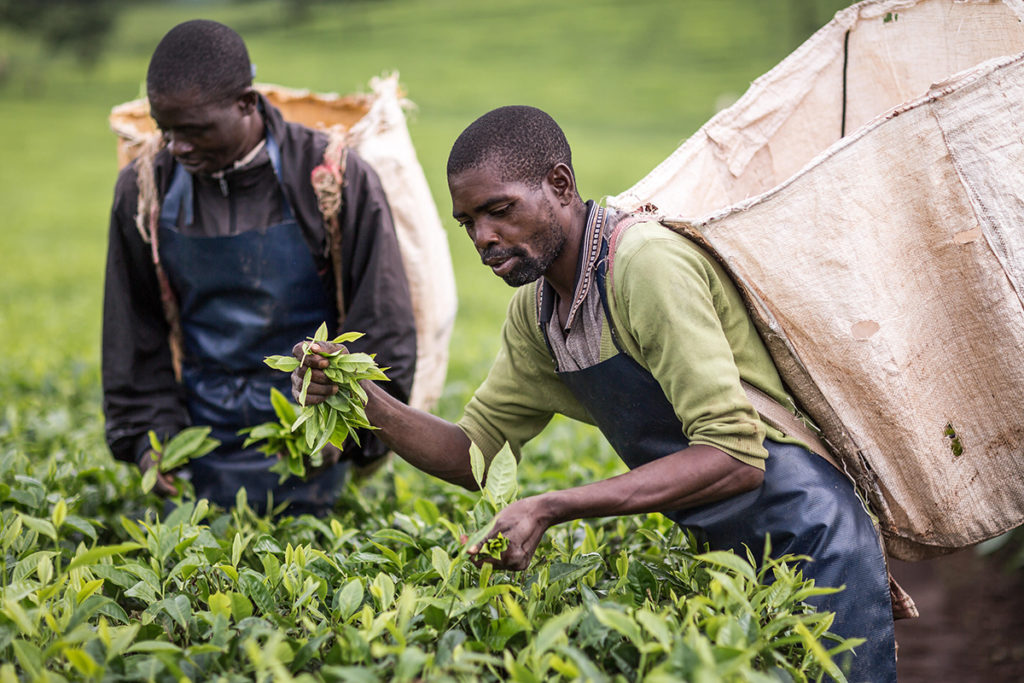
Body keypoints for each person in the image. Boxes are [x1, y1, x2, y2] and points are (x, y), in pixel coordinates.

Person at [296, 106, 897, 680]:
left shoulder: (644, 266)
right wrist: (364, 399)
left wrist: (554, 505)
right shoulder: (536, 316)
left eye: (499, 210)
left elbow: (734, 456)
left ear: (560, 184)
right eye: (469, 223)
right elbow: (473, 455)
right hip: (726, 556)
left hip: (810, 540)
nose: (483, 238)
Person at [101, 20, 416, 516]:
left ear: (247, 103)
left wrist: (342, 432)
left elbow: (384, 327)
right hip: (195, 458)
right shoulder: (145, 188)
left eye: (195, 131)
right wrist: (149, 443)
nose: (177, 149)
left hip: (315, 454)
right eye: (167, 132)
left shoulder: (334, 179)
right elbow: (132, 334)